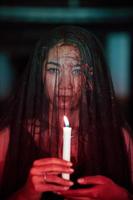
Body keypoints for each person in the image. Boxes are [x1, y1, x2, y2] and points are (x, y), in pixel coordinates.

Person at [0, 25, 133, 200]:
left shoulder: (119, 138)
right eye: (54, 70)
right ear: (40, 74)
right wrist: (26, 194)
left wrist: (120, 196)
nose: (65, 85)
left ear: (89, 78)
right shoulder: (8, 139)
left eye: (77, 71)